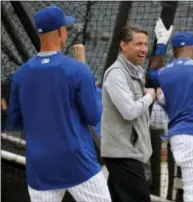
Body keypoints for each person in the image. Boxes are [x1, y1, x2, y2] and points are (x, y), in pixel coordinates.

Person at [8, 6, 111, 202]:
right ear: (60, 31)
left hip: (40, 165)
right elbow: (93, 116)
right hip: (77, 161)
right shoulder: (78, 70)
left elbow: (15, 121)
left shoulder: (20, 75)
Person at [101, 18, 172, 202]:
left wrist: (161, 46)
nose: (143, 48)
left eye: (146, 44)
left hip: (131, 154)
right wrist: (149, 97)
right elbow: (129, 111)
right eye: (138, 44)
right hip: (123, 154)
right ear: (123, 46)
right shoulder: (117, 73)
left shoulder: (136, 72)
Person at [148, 31, 193, 202]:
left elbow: (151, 72)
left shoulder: (163, 72)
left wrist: (161, 44)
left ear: (174, 51)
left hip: (176, 138)